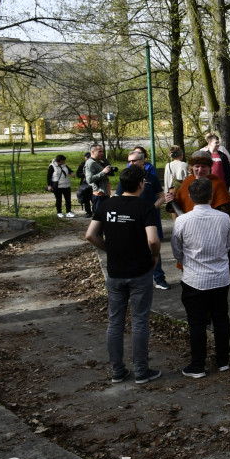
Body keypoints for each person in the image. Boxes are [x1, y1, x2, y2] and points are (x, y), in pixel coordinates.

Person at [84, 165, 162, 385]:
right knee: (139, 321)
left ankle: (118, 371)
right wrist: (154, 256)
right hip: (140, 272)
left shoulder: (107, 205)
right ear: (140, 184)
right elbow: (153, 240)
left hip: (115, 272)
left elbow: (90, 235)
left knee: (115, 322)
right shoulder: (145, 208)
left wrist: (110, 249)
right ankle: (141, 371)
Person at [170, 177, 230, 377]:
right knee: (221, 318)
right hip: (219, 277)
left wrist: (188, 261)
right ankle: (223, 359)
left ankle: (198, 364)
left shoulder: (182, 221)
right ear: (212, 195)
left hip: (194, 278)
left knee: (196, 322)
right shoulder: (224, 218)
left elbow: (176, 250)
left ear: (189, 196)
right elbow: (228, 246)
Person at [119, 151, 171, 291]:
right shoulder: (126, 177)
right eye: (129, 161)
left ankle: (159, 278)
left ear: (143, 162)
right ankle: (133, 279)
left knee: (153, 245)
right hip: (131, 219)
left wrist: (151, 208)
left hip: (148, 218)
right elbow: (119, 197)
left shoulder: (151, 178)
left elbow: (162, 196)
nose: (131, 164)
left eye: (134, 161)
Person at [167, 151, 230, 216]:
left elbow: (225, 211)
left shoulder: (217, 183)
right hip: (188, 223)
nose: (200, 170)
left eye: (203, 166)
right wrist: (172, 200)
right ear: (192, 167)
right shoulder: (187, 181)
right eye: (197, 166)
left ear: (209, 167)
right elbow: (179, 205)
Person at [85, 144, 115, 217]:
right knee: (100, 217)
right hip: (99, 194)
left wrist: (106, 162)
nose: (102, 153)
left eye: (102, 151)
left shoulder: (100, 161)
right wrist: (103, 172)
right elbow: (89, 180)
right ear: (92, 152)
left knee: (105, 217)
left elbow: (110, 173)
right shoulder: (90, 163)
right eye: (100, 151)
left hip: (105, 193)